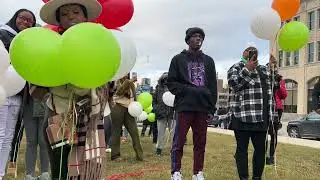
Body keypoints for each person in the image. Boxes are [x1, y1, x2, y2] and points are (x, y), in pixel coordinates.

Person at [39, 0, 107, 179]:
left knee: (90, 165)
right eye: (64, 14)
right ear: (58, 20)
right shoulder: (49, 44)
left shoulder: (99, 42)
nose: (70, 16)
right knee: (60, 165)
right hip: (58, 112)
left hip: (91, 113)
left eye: (76, 12)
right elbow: (37, 80)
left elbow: (108, 72)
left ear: (85, 17)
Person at [167, 27, 217, 180]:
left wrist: (211, 108)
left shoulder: (209, 61)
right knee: (179, 141)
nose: (198, 39)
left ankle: (198, 172)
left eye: (200, 36)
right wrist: (190, 91)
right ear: (188, 40)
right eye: (194, 36)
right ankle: (176, 171)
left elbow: (213, 87)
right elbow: (172, 83)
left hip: (202, 108)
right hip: (185, 106)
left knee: (200, 142)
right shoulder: (178, 59)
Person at [227, 47, 278, 180]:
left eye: (254, 51)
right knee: (242, 151)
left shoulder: (262, 69)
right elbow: (234, 85)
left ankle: (257, 177)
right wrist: (247, 69)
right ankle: (243, 178)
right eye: (248, 51)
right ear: (244, 54)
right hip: (242, 116)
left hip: (261, 118)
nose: (251, 52)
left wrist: (273, 67)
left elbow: (274, 85)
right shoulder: (236, 67)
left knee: (261, 151)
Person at [0, 9, 36, 180]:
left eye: (30, 20)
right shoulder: (3, 34)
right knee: (0, 134)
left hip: (20, 96)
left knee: (9, 136)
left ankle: (1, 172)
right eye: (22, 18)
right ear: (15, 18)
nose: (26, 22)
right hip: (2, 93)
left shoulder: (30, 41)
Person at [110, 74, 143, 161]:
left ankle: (140, 155)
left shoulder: (130, 82)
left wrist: (136, 106)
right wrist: (128, 82)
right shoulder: (116, 80)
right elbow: (119, 92)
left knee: (134, 131)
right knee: (116, 131)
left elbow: (134, 96)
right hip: (118, 106)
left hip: (129, 108)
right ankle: (115, 155)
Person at [266, 75, 287, 165]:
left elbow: (284, 95)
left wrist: (279, 84)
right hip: (266, 108)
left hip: (276, 109)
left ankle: (271, 157)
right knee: (264, 133)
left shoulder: (280, 80)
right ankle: (263, 156)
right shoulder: (266, 76)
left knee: (274, 134)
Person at [153, 72, 175, 156]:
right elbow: (154, 101)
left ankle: (173, 150)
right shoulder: (158, 88)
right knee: (160, 133)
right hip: (161, 114)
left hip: (172, 114)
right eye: (165, 78)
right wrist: (157, 109)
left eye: (168, 78)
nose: (166, 80)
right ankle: (159, 149)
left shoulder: (174, 87)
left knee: (173, 134)